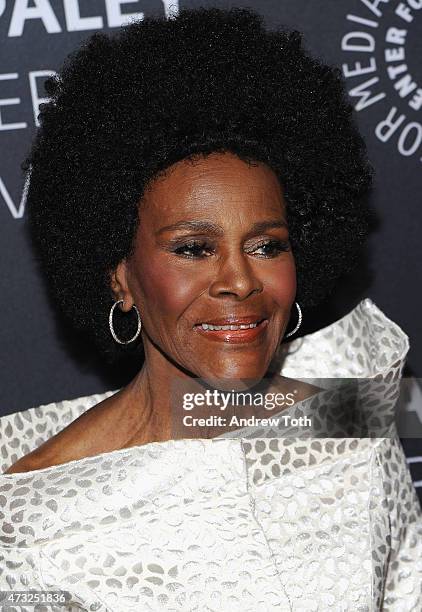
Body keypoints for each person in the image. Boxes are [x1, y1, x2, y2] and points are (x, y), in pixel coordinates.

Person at [0, 7, 421, 611]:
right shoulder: (37, 518)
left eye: (266, 245)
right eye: (194, 249)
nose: (240, 281)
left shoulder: (352, 419)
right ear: (121, 276)